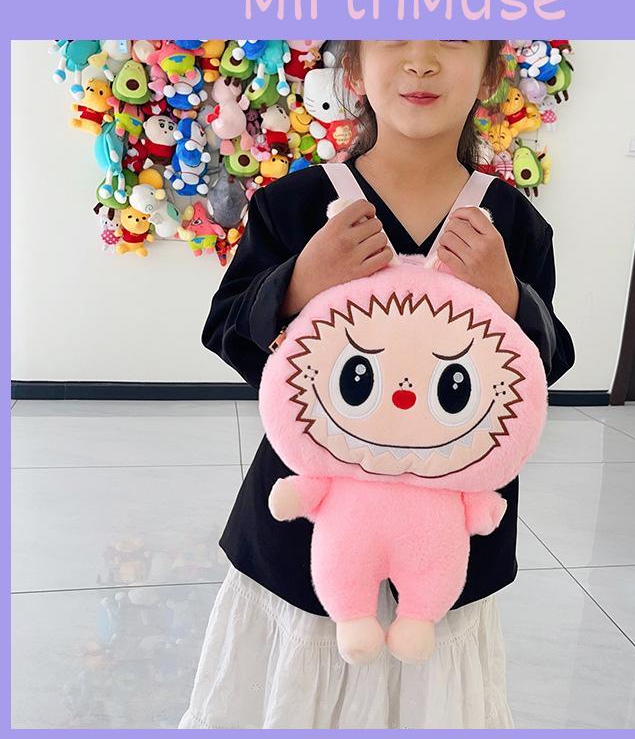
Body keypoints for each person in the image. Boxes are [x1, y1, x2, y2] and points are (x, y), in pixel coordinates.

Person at [178, 40, 575, 729]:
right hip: (305, 545)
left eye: (453, 39)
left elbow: (542, 369)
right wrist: (298, 284)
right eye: (394, 37)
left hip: (448, 549)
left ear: (489, 70)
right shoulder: (294, 205)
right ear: (356, 69)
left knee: (429, 691)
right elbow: (227, 331)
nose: (421, 61)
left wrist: (510, 300)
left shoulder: (511, 224)